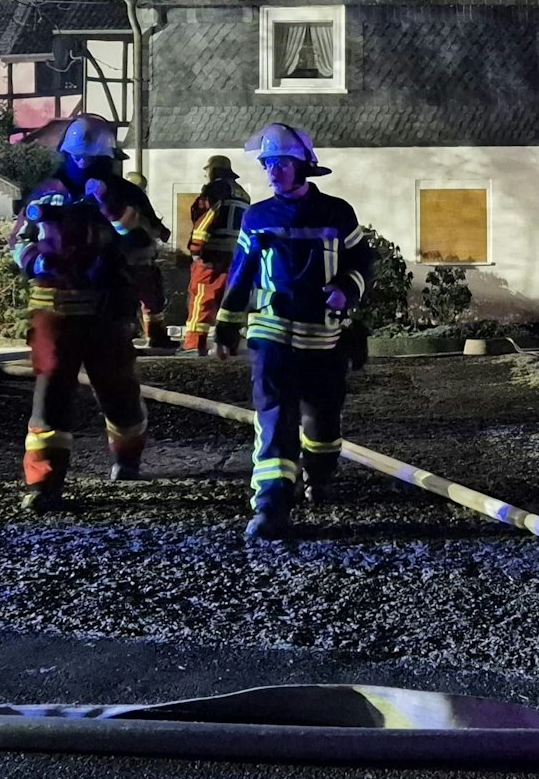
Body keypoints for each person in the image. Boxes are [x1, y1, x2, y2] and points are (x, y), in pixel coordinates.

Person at [213, 124, 374, 541]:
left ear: (303, 165)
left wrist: (345, 289)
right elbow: (241, 273)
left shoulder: (338, 214)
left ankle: (319, 476)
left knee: (322, 420)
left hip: (324, 337)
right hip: (272, 331)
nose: (273, 172)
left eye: (281, 163)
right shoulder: (258, 216)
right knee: (275, 416)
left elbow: (362, 263)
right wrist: (227, 324)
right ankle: (270, 504)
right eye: (267, 163)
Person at [6, 116, 159, 513]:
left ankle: (127, 457)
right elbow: (18, 240)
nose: (82, 165)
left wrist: (113, 210)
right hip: (53, 310)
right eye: (76, 158)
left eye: (90, 159)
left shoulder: (125, 195)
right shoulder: (44, 194)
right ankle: (43, 482)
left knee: (118, 389)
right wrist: (35, 263)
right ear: (65, 155)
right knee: (51, 392)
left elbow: (145, 246)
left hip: (106, 309)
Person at [181, 155, 251, 355]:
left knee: (202, 295)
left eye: (206, 171)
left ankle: (194, 344)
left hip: (212, 254)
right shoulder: (242, 193)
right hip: (234, 255)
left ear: (213, 171)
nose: (205, 175)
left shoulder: (215, 189)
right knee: (228, 299)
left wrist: (196, 248)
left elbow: (206, 217)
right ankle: (229, 343)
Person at [125, 170, 176, 349]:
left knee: (152, 300)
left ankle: (155, 335)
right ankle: (130, 337)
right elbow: (159, 231)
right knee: (134, 301)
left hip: (142, 260)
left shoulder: (124, 202)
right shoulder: (130, 204)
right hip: (132, 262)